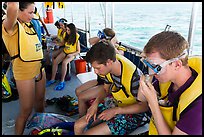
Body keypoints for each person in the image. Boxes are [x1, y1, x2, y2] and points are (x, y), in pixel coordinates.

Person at [74, 41, 150, 135]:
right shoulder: (109, 68)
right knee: (78, 125)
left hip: (133, 114)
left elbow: (144, 106)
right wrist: (95, 104)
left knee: (89, 133)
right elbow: (106, 89)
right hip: (116, 104)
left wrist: (116, 111)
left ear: (109, 62)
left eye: (97, 68)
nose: (95, 72)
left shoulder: (135, 78)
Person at [137, 31, 202, 135]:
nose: (152, 72)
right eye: (148, 65)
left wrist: (153, 104)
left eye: (156, 67)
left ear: (177, 65)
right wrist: (146, 78)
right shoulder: (166, 78)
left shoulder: (198, 106)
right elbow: (141, 98)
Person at [2, 2, 46, 135]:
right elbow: (13, 6)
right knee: (26, 110)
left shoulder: (29, 24)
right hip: (24, 71)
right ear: (19, 11)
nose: (33, 16)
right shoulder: (10, 27)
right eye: (30, 12)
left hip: (39, 68)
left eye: (34, 12)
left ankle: (40, 129)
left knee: (40, 104)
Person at [46, 23, 81, 90]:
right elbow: (63, 43)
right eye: (67, 30)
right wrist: (55, 44)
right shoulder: (66, 35)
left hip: (72, 54)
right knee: (55, 62)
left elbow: (78, 51)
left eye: (68, 30)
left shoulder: (76, 38)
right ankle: (52, 79)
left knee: (64, 63)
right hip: (65, 51)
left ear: (72, 30)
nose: (67, 31)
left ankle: (62, 81)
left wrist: (72, 54)